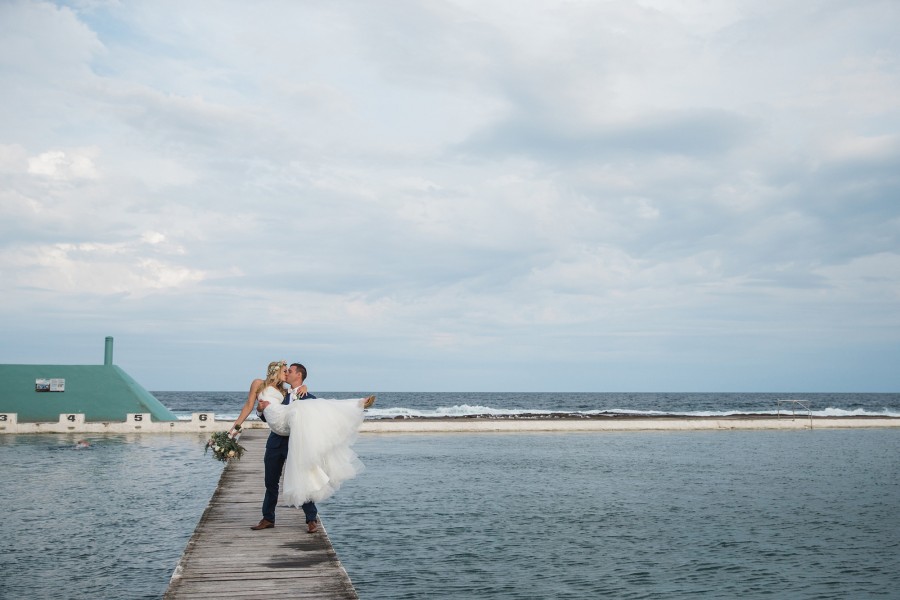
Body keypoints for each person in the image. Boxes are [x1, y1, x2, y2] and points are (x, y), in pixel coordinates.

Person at [242, 361, 375, 533]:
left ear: (299, 375)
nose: (286, 373)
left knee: (302, 479)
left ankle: (311, 519)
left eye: (290, 371)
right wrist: (260, 411)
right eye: (286, 371)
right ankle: (268, 518)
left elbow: (326, 413)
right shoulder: (279, 394)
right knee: (270, 482)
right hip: (275, 443)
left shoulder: (309, 398)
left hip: (297, 444)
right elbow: (270, 416)